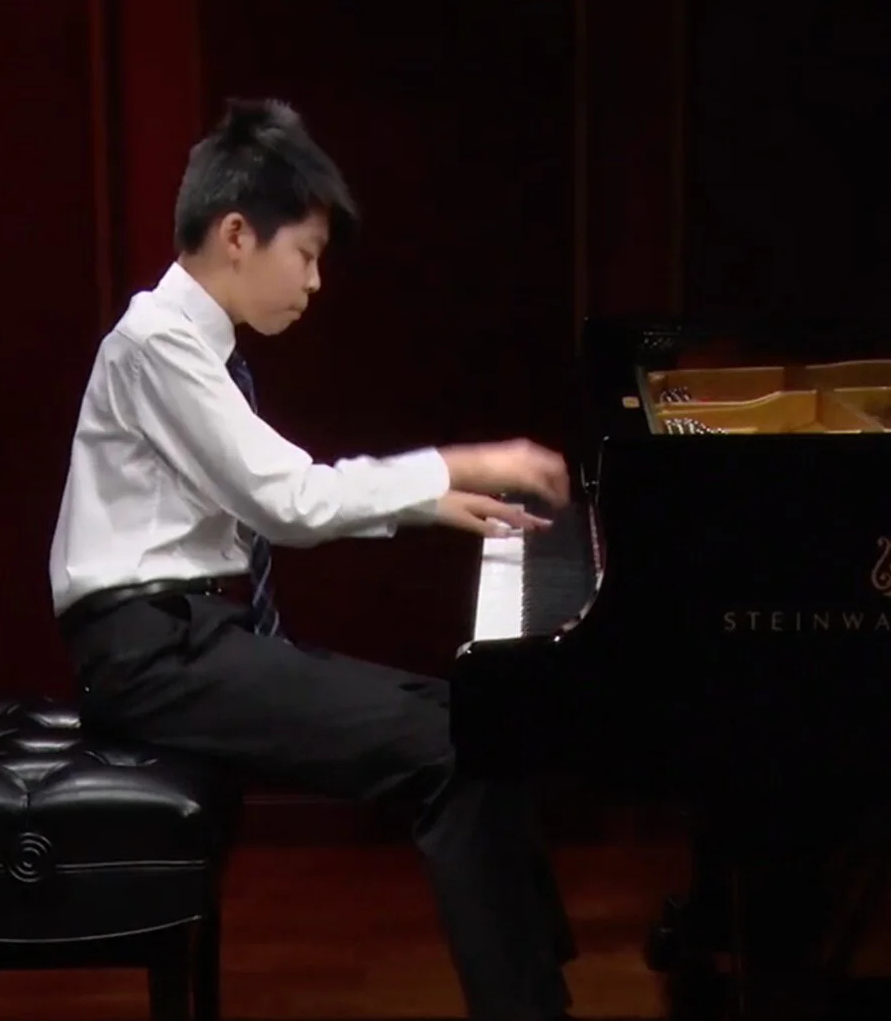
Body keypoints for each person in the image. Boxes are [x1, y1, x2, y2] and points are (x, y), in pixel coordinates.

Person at [48, 98, 577, 1021]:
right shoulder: (156, 344)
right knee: (455, 753)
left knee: (477, 718)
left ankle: (540, 990)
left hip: (188, 639)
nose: (316, 280)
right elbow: (286, 501)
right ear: (237, 234)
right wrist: (461, 464)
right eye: (307, 253)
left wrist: (429, 502)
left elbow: (282, 496)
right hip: (152, 655)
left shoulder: (189, 346)